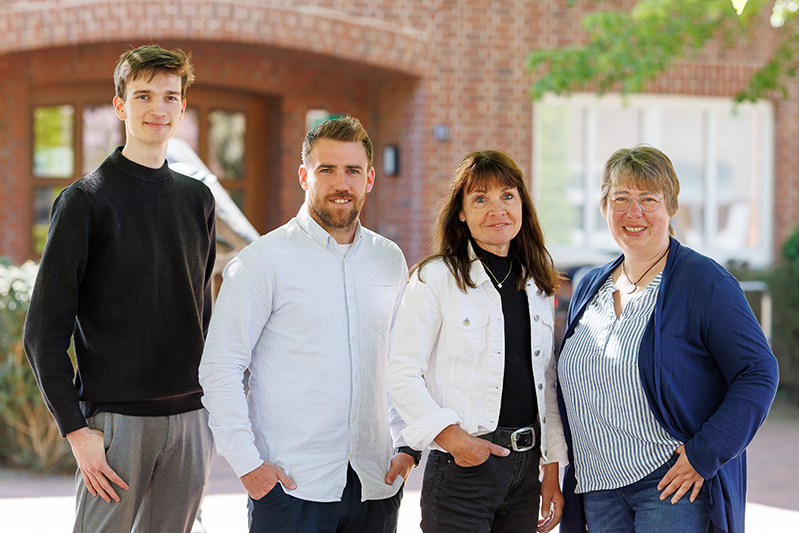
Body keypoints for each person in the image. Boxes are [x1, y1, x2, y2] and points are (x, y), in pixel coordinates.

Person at [24, 45, 216, 533]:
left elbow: (203, 314)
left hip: (191, 421)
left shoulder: (198, 200)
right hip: (116, 428)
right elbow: (43, 334)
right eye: (144, 95)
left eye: (170, 97)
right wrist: (76, 431)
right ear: (120, 104)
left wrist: (214, 414)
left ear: (182, 108)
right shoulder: (85, 202)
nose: (158, 109)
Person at [198, 116, 413, 533]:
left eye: (352, 170)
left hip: (376, 484)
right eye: (326, 169)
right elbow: (219, 368)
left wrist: (405, 446)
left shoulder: (390, 260)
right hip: (290, 487)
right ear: (304, 176)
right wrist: (248, 465)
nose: (341, 183)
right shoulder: (263, 261)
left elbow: (398, 361)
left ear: (369, 178)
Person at [556, 145, 779, 533]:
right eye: (621, 198)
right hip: (597, 485)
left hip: (669, 484)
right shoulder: (588, 285)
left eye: (648, 199)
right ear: (605, 207)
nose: (633, 212)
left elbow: (758, 371)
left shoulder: (704, 282)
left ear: (671, 207)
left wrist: (704, 454)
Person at [386, 150, 569, 533]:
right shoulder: (434, 279)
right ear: (462, 213)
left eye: (508, 196)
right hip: (463, 469)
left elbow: (545, 380)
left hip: (524, 472)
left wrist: (551, 466)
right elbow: (400, 373)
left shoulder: (536, 284)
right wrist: (453, 439)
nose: (497, 209)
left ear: (522, 205)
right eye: (480, 199)